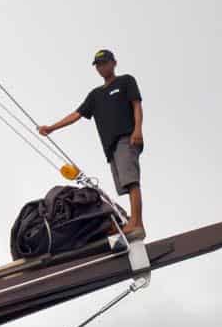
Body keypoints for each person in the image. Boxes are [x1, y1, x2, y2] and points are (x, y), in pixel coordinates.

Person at [39, 49, 144, 238]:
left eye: (104, 63)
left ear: (114, 63)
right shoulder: (95, 95)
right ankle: (133, 222)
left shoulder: (125, 81)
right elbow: (76, 115)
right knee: (126, 185)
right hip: (111, 146)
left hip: (126, 138)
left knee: (132, 182)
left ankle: (137, 223)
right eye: (98, 65)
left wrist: (138, 129)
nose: (101, 67)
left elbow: (136, 105)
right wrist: (52, 128)